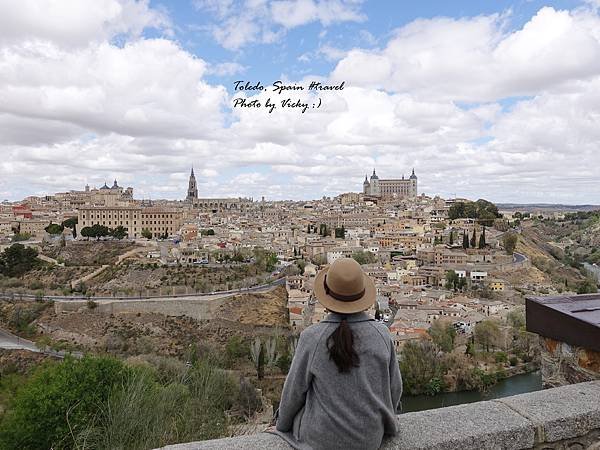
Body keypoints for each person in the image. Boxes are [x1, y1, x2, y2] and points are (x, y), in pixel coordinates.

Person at [271, 258, 402, 450]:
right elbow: (395, 389)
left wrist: (281, 426)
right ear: (362, 294)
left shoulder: (313, 337)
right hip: (370, 439)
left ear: (327, 296)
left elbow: (294, 392)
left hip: (322, 441)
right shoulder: (382, 334)